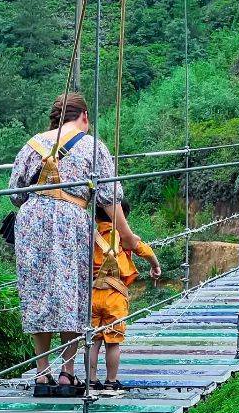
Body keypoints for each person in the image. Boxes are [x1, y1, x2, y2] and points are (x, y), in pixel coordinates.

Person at [9, 92, 136, 397]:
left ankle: (42, 374)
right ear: (84, 117)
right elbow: (109, 198)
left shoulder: (32, 144)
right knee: (73, 290)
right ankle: (67, 373)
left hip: (32, 221)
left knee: (37, 292)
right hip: (71, 220)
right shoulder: (93, 146)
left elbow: (15, 193)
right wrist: (129, 236)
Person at [87, 199, 161, 395]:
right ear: (123, 217)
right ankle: (111, 382)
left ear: (95, 217)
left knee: (93, 341)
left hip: (92, 294)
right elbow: (145, 250)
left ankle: (91, 382)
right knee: (113, 341)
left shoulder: (89, 235)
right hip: (115, 295)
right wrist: (155, 266)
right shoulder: (124, 236)